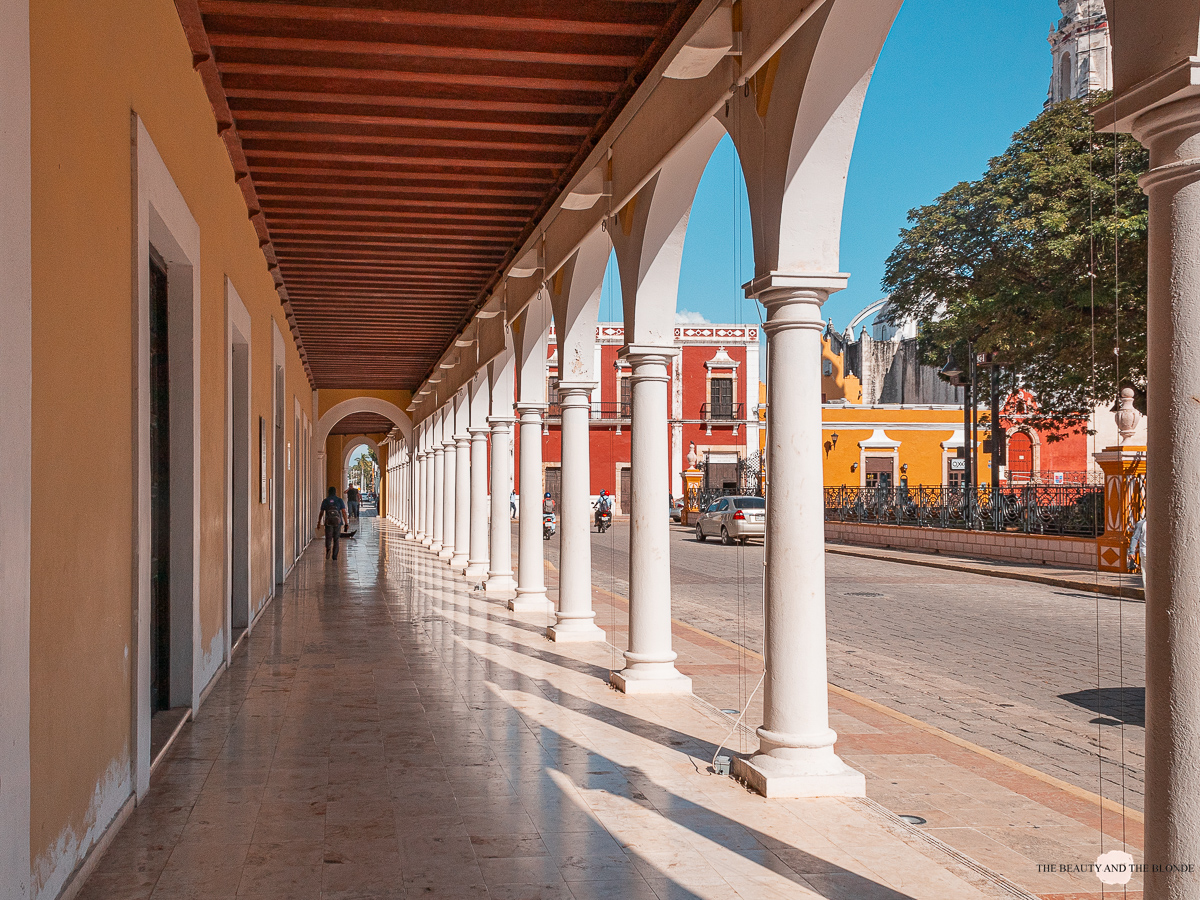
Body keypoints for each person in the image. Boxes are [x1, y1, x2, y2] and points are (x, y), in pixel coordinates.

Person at [318, 486, 347, 560]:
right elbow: (343, 512)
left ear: (328, 492)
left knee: (328, 538)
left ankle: (328, 549)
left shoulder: (325, 500)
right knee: (336, 539)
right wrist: (346, 523)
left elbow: (321, 512)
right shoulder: (339, 500)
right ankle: (334, 556)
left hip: (328, 522)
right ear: (335, 492)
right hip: (338, 522)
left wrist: (319, 522)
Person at [1129, 515, 1147, 590]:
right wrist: (1132, 551)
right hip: (1145, 552)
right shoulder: (1141, 524)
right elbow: (1135, 538)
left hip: (1153, 553)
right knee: (1146, 575)